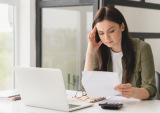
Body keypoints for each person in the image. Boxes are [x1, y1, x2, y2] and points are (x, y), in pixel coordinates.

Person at [83, 6, 158, 100]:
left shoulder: (142, 48)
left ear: (122, 26)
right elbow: (87, 85)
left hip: (136, 106)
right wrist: (89, 53)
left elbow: (150, 89)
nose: (106, 38)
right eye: (101, 33)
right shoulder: (98, 51)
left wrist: (133, 92)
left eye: (111, 31)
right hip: (106, 107)